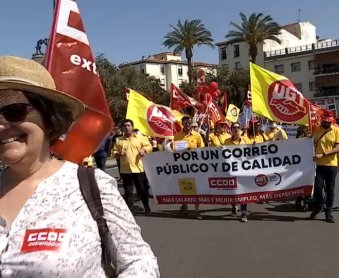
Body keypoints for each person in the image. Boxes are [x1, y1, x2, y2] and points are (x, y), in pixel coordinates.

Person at [0, 56, 159, 277]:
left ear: (48, 117)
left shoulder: (92, 186)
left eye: (14, 111)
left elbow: (138, 262)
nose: (0, 124)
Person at [113, 119, 153, 214]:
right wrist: (118, 153)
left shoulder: (140, 138)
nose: (127, 128)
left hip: (138, 168)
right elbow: (113, 153)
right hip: (125, 169)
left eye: (128, 125)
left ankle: (146, 207)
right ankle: (130, 211)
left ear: (132, 126)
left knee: (142, 190)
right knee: (128, 191)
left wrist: (144, 149)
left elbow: (149, 146)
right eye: (125, 126)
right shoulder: (119, 140)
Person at [310, 110, 339, 223]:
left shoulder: (336, 131)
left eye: (328, 122)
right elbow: (310, 143)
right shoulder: (317, 130)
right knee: (318, 189)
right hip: (319, 165)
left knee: (330, 189)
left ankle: (329, 213)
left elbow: (338, 148)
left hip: (331, 165)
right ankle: (318, 206)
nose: (326, 124)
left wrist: (323, 154)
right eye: (325, 122)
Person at [173, 116, 205, 219]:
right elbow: (174, 150)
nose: (187, 124)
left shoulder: (197, 136)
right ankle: (184, 206)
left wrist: (193, 150)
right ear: (182, 124)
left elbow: (203, 150)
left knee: (197, 189)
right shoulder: (177, 137)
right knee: (184, 187)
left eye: (189, 122)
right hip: (182, 166)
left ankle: (197, 210)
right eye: (185, 122)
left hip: (195, 166)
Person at [223, 122, 251, 222]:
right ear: (231, 129)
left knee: (244, 191)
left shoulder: (246, 140)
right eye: (234, 127)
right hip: (231, 170)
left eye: (238, 127)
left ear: (240, 129)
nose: (236, 129)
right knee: (233, 190)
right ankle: (234, 206)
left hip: (243, 169)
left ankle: (244, 212)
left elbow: (251, 153)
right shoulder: (226, 141)